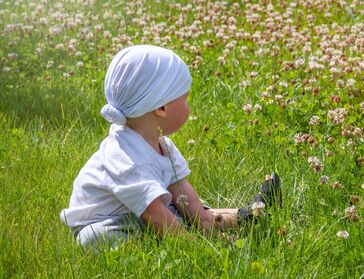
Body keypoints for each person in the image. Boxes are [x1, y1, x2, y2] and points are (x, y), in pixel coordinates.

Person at [59, 45, 282, 249]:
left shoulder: (162, 144)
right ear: (162, 108)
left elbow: (186, 198)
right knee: (96, 237)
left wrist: (200, 220)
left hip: (146, 213)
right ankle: (159, 244)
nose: (189, 105)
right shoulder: (123, 158)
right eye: (185, 98)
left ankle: (250, 215)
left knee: (184, 210)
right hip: (108, 220)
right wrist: (200, 250)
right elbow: (154, 214)